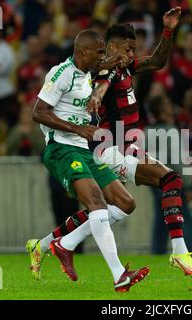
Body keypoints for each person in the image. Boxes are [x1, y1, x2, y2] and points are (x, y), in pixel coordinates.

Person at [48, 9, 192, 278]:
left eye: (134, 49)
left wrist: (168, 30)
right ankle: (179, 251)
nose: (132, 54)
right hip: (109, 148)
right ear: (110, 47)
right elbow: (101, 84)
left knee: (121, 206)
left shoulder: (124, 67)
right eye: (128, 48)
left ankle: (63, 242)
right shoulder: (106, 69)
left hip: (124, 146)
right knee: (170, 180)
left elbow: (156, 61)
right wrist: (96, 97)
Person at [26, 29, 149, 292]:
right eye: (100, 52)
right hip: (62, 149)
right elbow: (38, 112)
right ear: (82, 52)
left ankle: (62, 244)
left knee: (126, 203)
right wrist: (78, 129)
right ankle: (119, 276)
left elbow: (103, 66)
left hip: (84, 149)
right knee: (97, 204)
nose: (102, 56)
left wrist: (116, 60)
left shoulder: (87, 73)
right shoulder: (61, 73)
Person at [144, 95, 192, 255]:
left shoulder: (147, 132)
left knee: (161, 218)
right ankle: (189, 251)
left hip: (155, 181)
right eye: (166, 103)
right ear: (161, 109)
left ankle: (157, 251)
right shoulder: (171, 131)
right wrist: (187, 185)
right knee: (184, 217)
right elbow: (178, 162)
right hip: (172, 180)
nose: (170, 106)